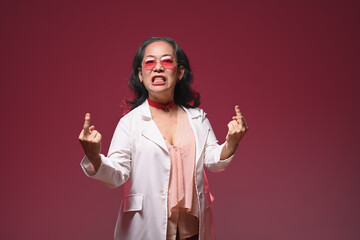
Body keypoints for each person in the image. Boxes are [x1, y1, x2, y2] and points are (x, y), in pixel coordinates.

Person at [78, 37, 248, 240]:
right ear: (141, 75)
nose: (158, 67)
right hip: (147, 229)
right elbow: (117, 174)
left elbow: (213, 161)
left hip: (192, 231)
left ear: (180, 73)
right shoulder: (130, 123)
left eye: (167, 61)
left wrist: (231, 142)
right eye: (150, 62)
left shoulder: (197, 118)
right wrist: (94, 157)